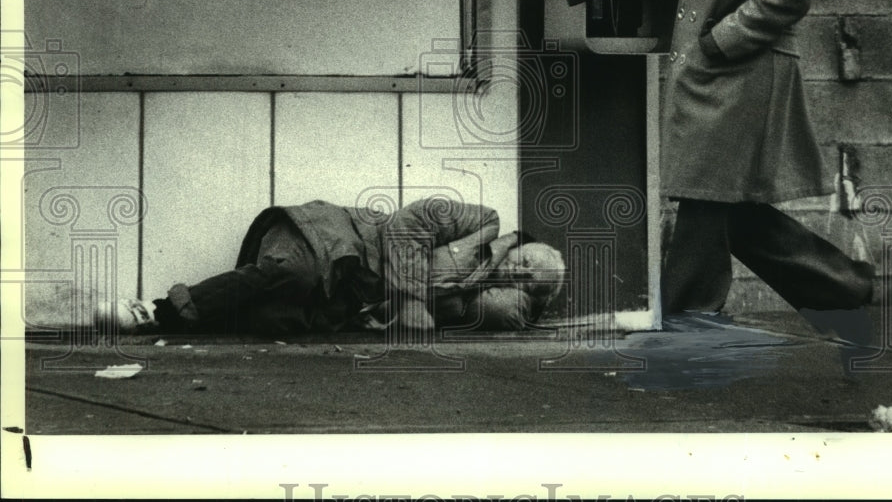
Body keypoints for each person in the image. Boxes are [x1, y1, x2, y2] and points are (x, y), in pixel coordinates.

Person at [656, 0, 875, 340]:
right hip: (721, 76)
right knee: (728, 205)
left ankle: (690, 320)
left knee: (706, 200)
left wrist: (716, 43)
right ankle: (842, 289)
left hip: (740, 74)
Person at [97, 197, 565, 335]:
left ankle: (183, 320)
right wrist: (410, 297)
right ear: (518, 243)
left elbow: (508, 315)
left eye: (530, 281)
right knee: (292, 274)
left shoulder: (473, 302)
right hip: (330, 237)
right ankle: (156, 311)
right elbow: (410, 222)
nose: (520, 272)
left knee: (271, 320)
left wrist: (524, 299)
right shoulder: (482, 222)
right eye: (526, 262)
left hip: (345, 298)